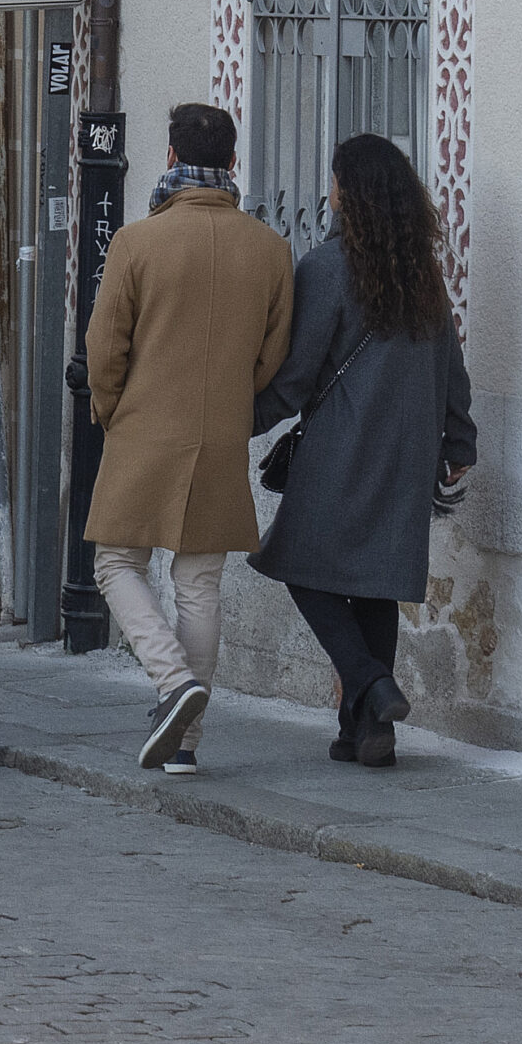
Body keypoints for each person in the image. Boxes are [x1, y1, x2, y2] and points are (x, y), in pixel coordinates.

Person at [83, 102, 295, 774]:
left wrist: (111, 410)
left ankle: (173, 682)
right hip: (222, 432)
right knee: (199, 582)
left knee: (117, 563)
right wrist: (231, 406)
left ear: (171, 157)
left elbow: (103, 348)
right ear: (233, 162)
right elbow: (272, 357)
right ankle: (186, 744)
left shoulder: (137, 243)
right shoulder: (271, 249)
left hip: (142, 426)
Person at [251, 134, 475, 767]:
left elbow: (295, 379)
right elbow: (452, 368)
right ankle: (369, 733)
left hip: (340, 450)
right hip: (408, 454)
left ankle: (372, 681)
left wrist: (241, 419)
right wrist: (459, 440)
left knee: (296, 563)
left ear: (349, 194)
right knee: (376, 585)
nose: (328, 191)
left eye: (334, 181)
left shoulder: (326, 268)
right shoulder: (422, 274)